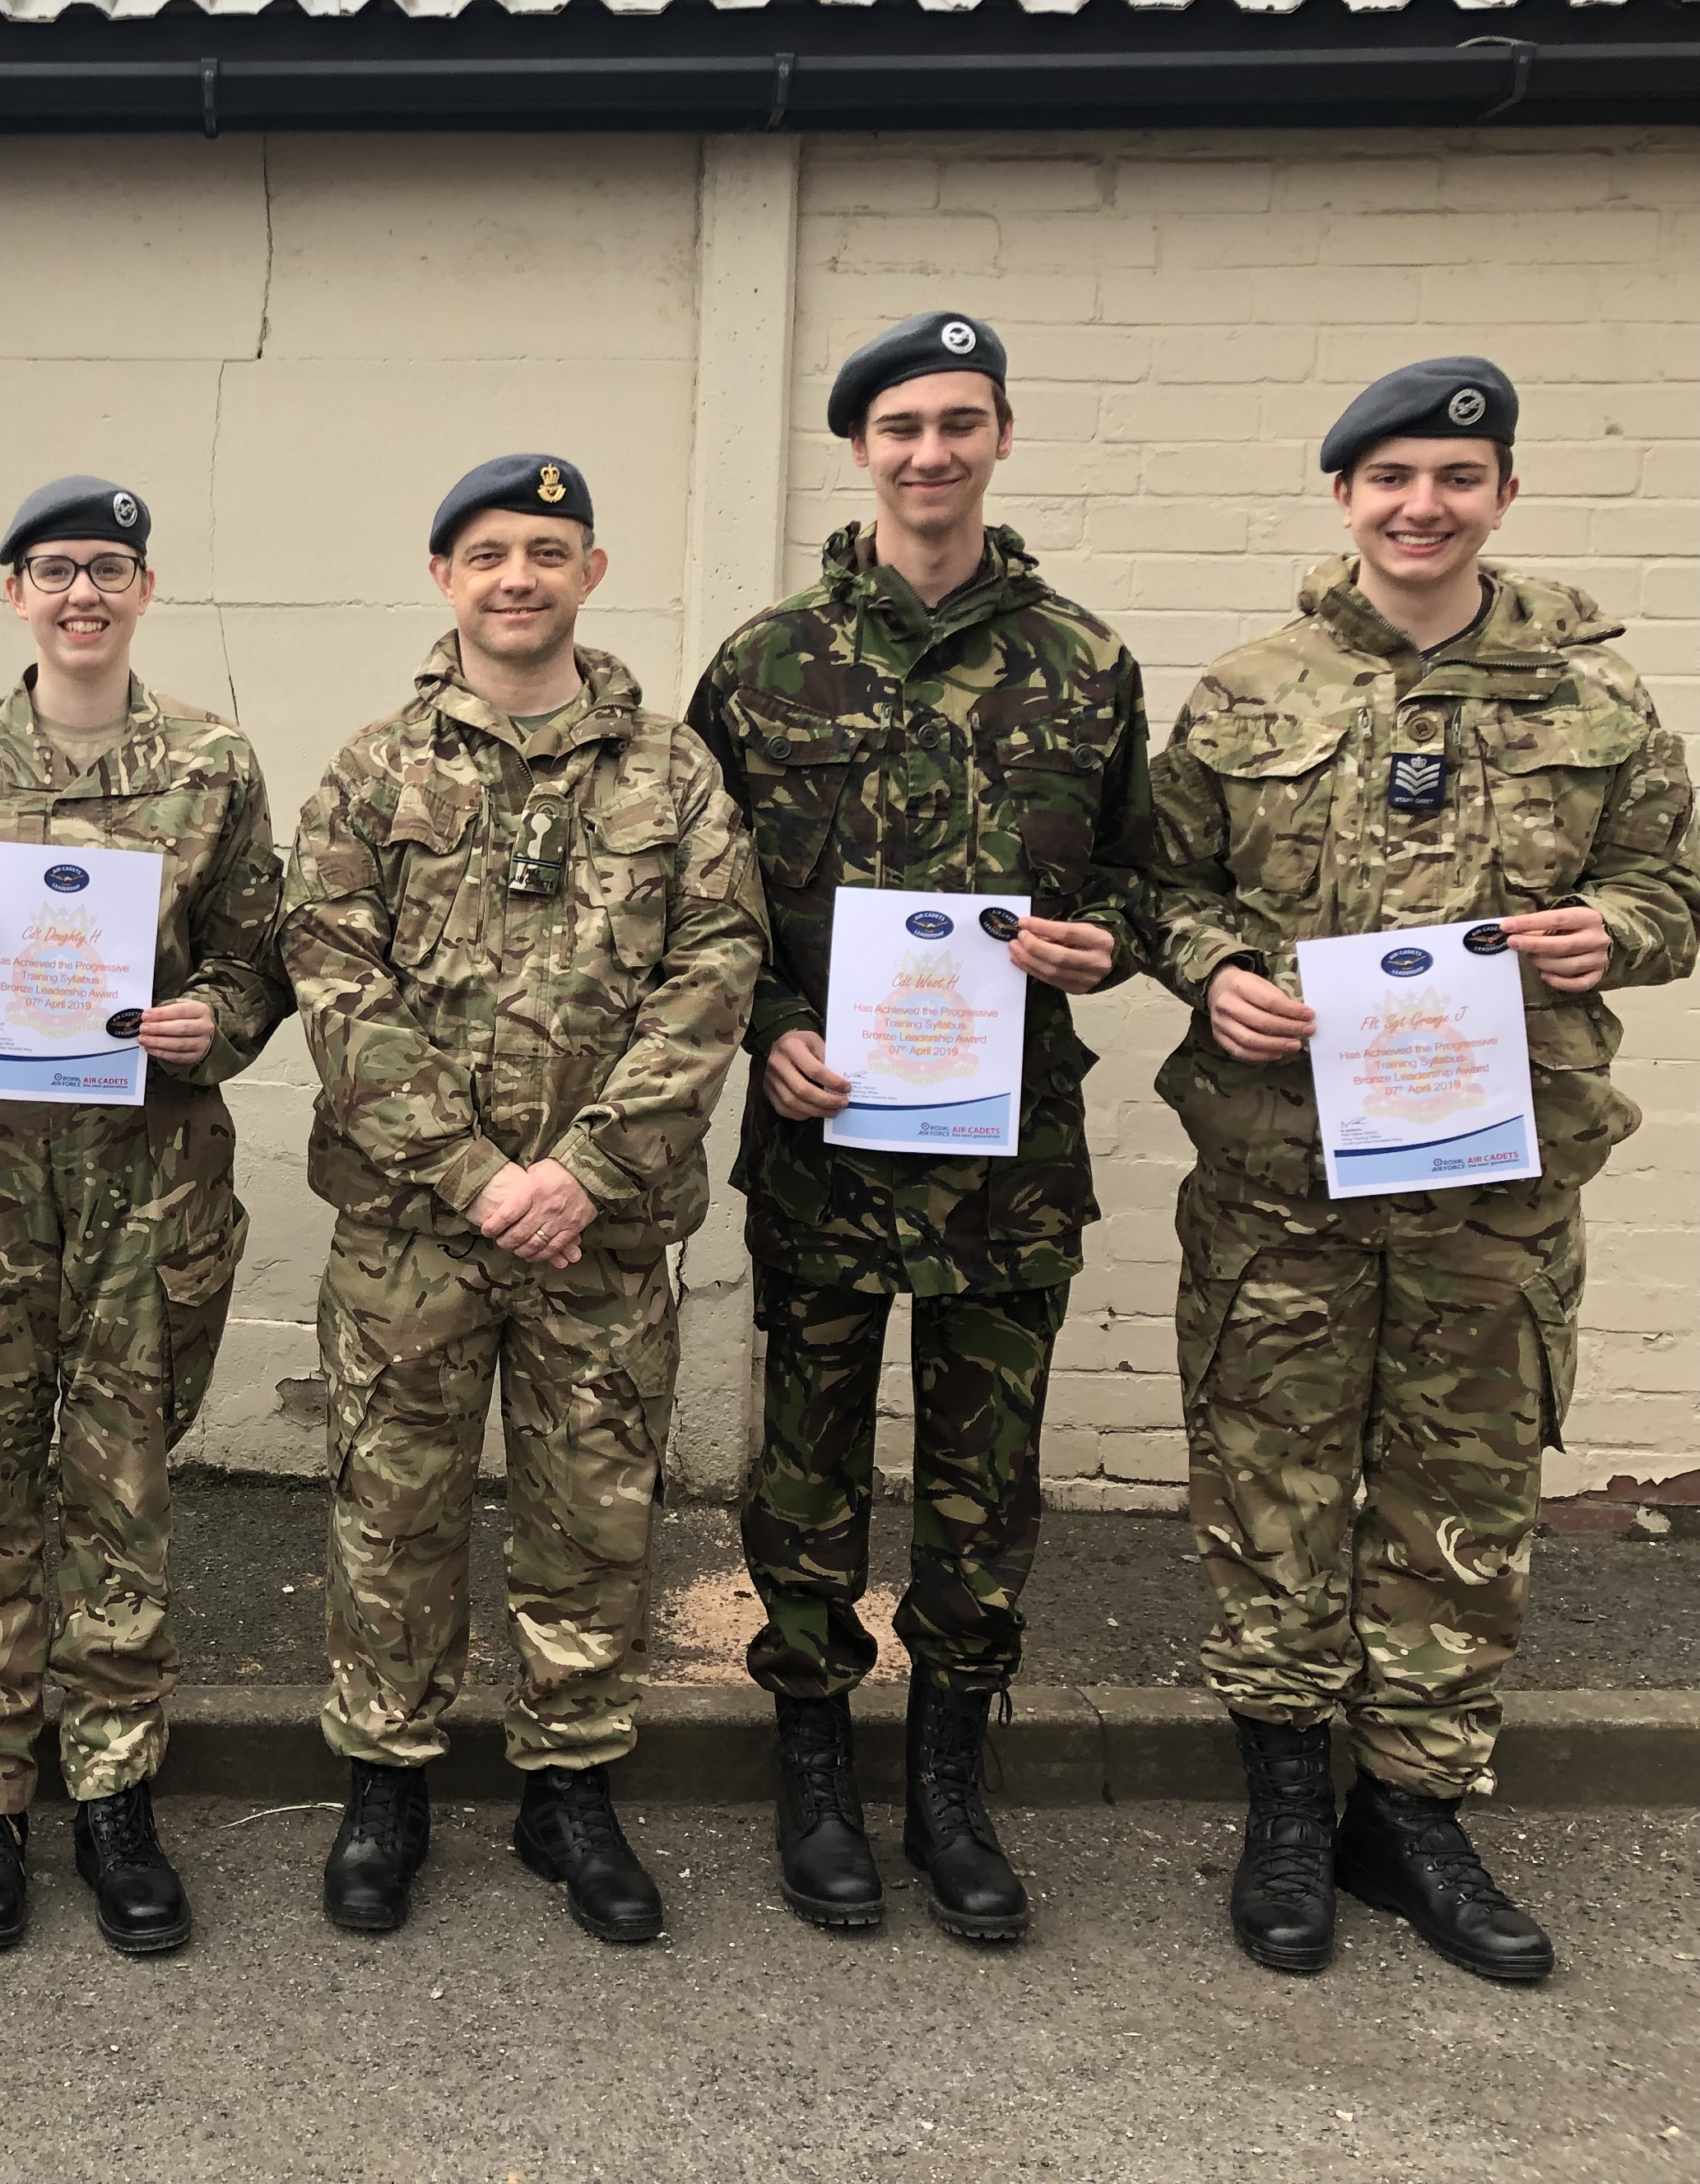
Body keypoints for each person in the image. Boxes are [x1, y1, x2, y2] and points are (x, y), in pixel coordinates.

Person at [1149, 356, 1699, 1985]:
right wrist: (1212, 969)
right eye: (1391, 476)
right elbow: (1159, 883)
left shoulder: (1600, 703)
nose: (1422, 504)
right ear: (1345, 496)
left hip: (1495, 1185)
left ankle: (1413, 1814)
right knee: (1270, 1488)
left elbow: (1673, 889)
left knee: (1464, 1497)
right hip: (1285, 1180)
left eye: (1458, 477)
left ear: (1504, 495)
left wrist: (1618, 932)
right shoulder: (1248, 691)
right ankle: (1284, 1806)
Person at [685, 310, 1151, 1945]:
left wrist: (1109, 943)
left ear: (1001, 438)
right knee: (806, 1470)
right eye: (902, 426)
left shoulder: (1086, 664)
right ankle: (814, 1766)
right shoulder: (765, 665)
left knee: (984, 1483)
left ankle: (950, 1784)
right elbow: (698, 902)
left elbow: (1148, 876)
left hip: (1008, 1160)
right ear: (861, 449)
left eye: (961, 422)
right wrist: (767, 1028)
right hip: (825, 1143)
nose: (931, 452)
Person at [281, 453, 761, 1942]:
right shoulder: (375, 770)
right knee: (393, 1512)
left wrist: (584, 1173)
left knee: (593, 1516)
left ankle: (572, 1787)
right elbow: (334, 978)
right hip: (414, 1230)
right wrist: (480, 1174)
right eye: (488, 552)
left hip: (599, 1233)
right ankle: (387, 1782)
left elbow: (715, 969)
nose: (518, 578)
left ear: (590, 574)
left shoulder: (672, 771)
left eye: (549, 552)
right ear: (445, 577)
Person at [0, 475, 289, 1956]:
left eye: (110, 568)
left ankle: (115, 1789)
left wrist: (211, 1024)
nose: (83, 594)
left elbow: (260, 962)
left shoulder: (214, 766)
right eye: (55, 569)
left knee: (123, 1487)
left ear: (145, 591)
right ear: (16, 593)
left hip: (148, 1175)